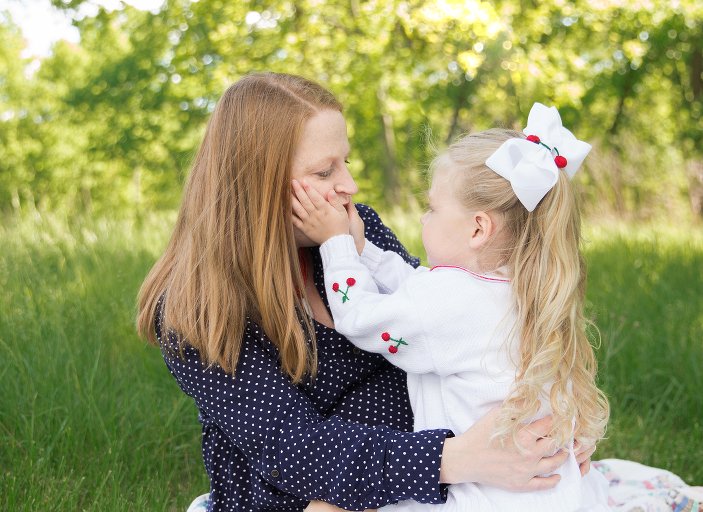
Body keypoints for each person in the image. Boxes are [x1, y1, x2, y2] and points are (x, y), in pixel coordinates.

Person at [135, 73, 596, 512]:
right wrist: (459, 458)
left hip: (417, 480)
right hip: (307, 495)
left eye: (346, 161)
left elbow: (454, 323)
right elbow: (294, 451)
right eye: (324, 171)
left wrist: (546, 419)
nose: (349, 186)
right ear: (258, 183)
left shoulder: (355, 229)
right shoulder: (196, 307)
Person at [291, 104, 611, 512]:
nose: (424, 219)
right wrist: (363, 251)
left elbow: (359, 317)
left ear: (478, 228)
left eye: (432, 209)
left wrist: (336, 247)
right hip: (555, 491)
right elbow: (416, 286)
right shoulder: (523, 288)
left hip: (488, 496)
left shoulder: (452, 302)